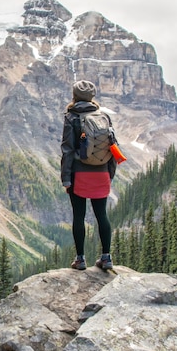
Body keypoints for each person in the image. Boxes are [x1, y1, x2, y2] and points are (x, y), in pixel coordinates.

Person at [60, 79, 116, 271]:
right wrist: (110, 174)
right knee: (102, 215)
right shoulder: (104, 117)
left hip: (79, 174)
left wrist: (66, 179)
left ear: (74, 96)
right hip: (101, 173)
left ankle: (80, 259)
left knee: (79, 216)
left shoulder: (71, 117)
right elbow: (112, 147)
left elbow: (67, 150)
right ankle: (106, 258)